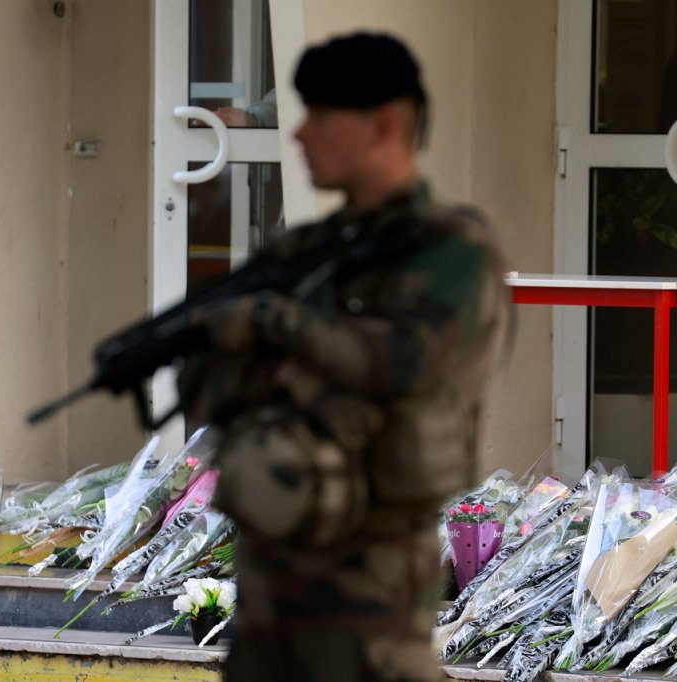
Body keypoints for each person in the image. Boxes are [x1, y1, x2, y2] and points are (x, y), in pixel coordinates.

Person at [181, 31, 509, 681]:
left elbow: (408, 366)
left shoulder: (450, 252)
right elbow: (210, 383)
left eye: (321, 116)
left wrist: (278, 329)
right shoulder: (302, 252)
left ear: (385, 124)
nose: (298, 135)